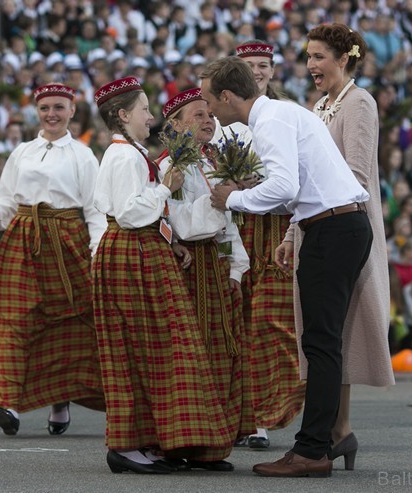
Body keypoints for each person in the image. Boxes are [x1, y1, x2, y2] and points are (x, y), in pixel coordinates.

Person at [202, 56, 373, 478]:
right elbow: (304, 184)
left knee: (319, 344)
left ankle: (313, 449)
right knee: (320, 342)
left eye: (209, 101)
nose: (209, 111)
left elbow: (285, 186)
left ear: (227, 96)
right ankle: (325, 440)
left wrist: (233, 199)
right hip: (332, 225)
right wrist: (292, 229)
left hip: (333, 230)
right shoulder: (284, 112)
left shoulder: (270, 121)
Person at [92, 77, 237, 474]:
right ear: (123, 115)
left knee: (151, 352)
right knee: (138, 351)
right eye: (143, 109)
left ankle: (151, 441)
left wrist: (168, 237)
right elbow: (129, 213)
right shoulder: (123, 156)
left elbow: (142, 214)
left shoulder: (132, 153)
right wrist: (166, 189)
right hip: (130, 249)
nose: (150, 116)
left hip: (142, 247)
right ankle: (127, 445)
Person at [283, 23, 394, 471]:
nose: (311, 65)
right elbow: (307, 178)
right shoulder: (321, 106)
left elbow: (356, 175)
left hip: (345, 226)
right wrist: (293, 233)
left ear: (344, 58)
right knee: (334, 332)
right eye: (308, 56)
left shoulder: (359, 103)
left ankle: (332, 433)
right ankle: (339, 431)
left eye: (318, 56)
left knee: (331, 332)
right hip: (317, 225)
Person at [0, 84, 106, 436]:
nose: (51, 114)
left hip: (66, 241)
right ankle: (8, 404)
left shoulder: (83, 155)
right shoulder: (22, 152)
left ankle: (60, 401)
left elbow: (94, 209)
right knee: (13, 320)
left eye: (59, 108)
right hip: (22, 238)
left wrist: (98, 252)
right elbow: (4, 202)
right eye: (45, 107)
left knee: (70, 321)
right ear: (37, 110)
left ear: (72, 111)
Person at [157, 88, 255, 469]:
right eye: (197, 115)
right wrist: (219, 199)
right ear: (175, 125)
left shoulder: (212, 162)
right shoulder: (169, 167)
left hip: (215, 267)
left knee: (219, 354)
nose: (207, 120)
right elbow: (179, 223)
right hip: (185, 267)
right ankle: (183, 441)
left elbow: (229, 226)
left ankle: (213, 443)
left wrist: (235, 268)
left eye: (209, 114)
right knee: (187, 357)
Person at [224, 40, 306, 450]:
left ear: (273, 71)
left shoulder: (286, 112)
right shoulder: (224, 121)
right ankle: (246, 419)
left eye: (264, 65)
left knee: (274, 323)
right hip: (235, 227)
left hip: (276, 229)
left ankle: (273, 411)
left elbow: (298, 174)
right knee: (236, 322)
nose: (257, 71)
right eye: (249, 65)